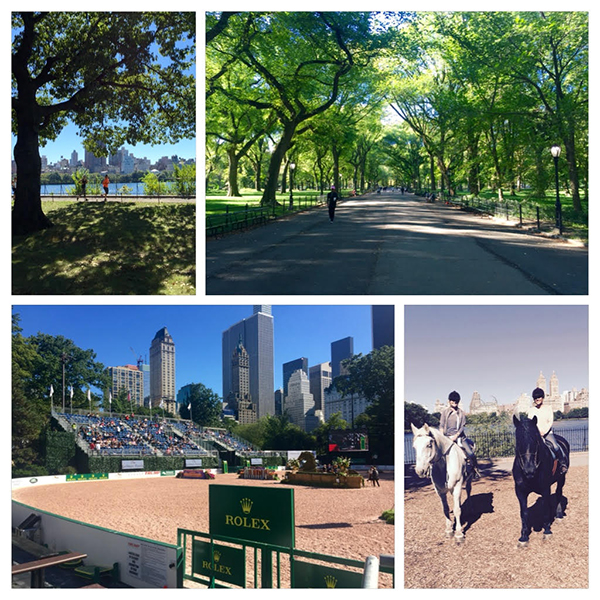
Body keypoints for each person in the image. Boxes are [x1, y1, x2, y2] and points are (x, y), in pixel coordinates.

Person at [439, 391, 481, 479]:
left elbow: (462, 427)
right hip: (446, 437)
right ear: (449, 401)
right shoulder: (445, 413)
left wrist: (455, 436)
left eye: (456, 401)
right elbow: (441, 425)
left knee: (470, 453)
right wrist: (441, 436)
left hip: (459, 437)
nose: (454, 402)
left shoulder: (461, 413)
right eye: (453, 400)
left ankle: (475, 469)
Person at [527, 387, 567, 474]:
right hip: (535, 435)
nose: (537, 399)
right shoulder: (531, 410)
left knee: (555, 446)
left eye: (539, 397)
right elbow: (530, 424)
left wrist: (543, 432)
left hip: (547, 433)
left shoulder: (548, 408)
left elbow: (550, 421)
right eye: (535, 398)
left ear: (542, 398)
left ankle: (562, 464)